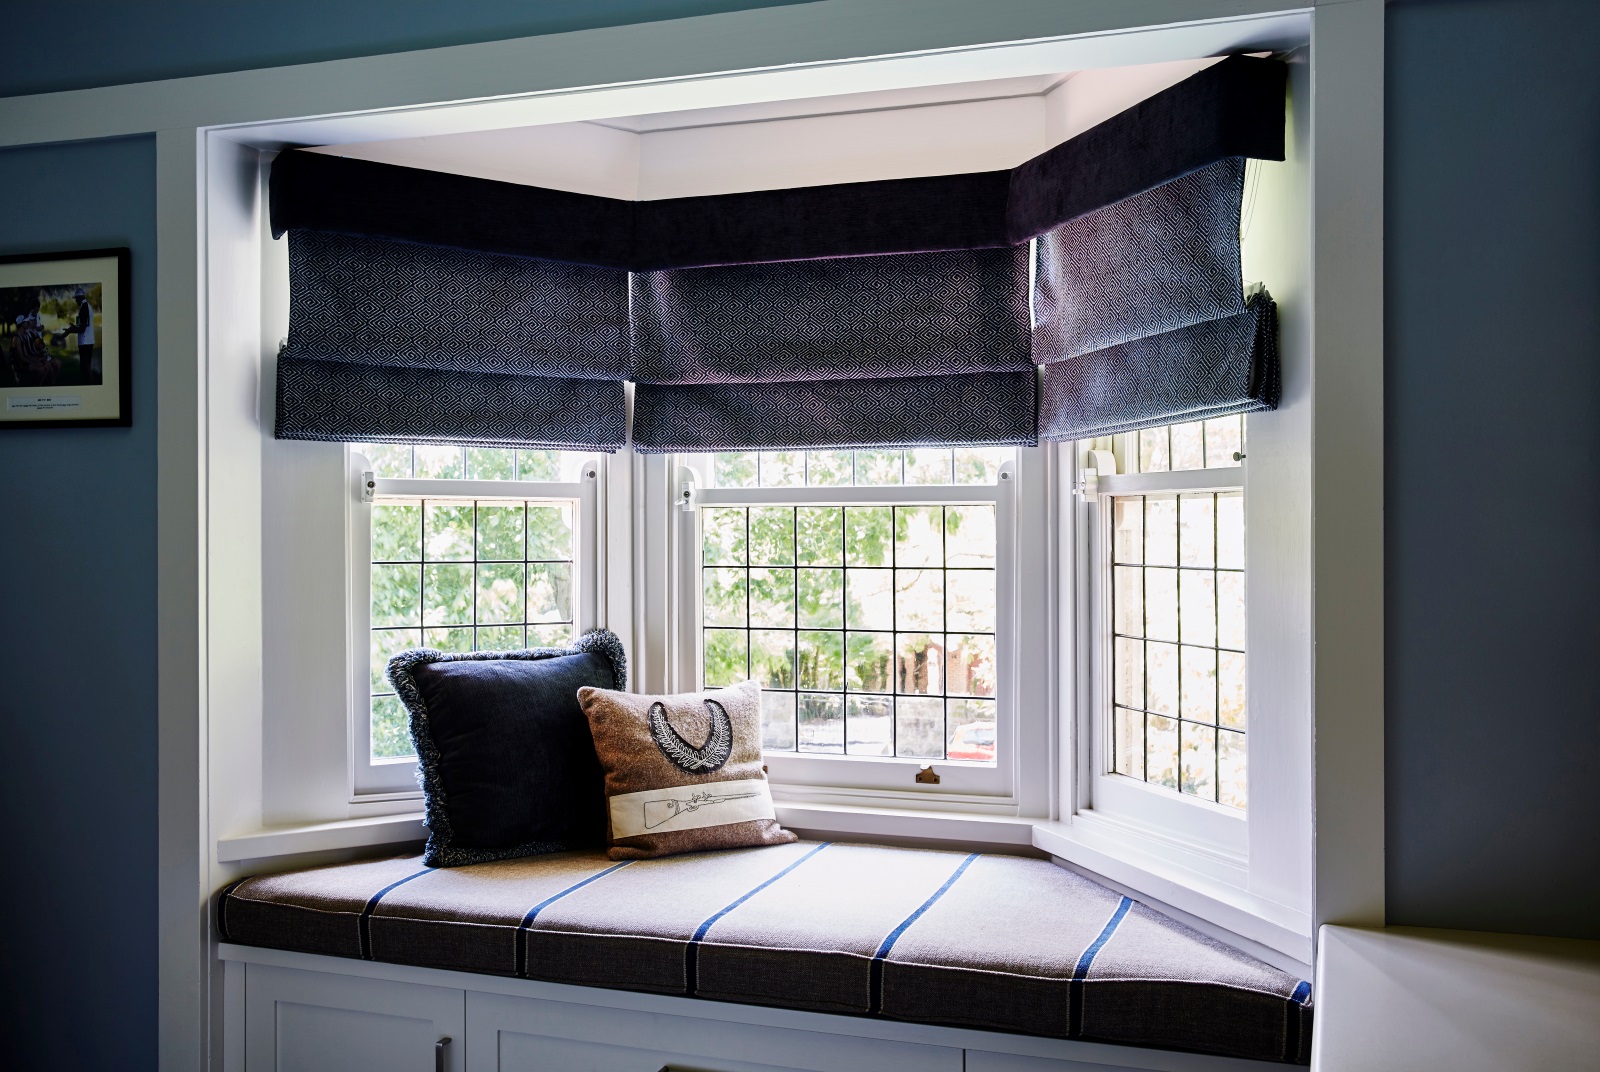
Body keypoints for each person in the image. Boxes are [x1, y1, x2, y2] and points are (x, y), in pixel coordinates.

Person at [68, 286, 98, 385]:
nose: (75, 301)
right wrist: (75, 327)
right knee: (87, 366)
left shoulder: (84, 308)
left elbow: (82, 329)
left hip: (85, 342)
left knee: (84, 367)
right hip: (89, 341)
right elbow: (84, 325)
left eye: (76, 298)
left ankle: (88, 386)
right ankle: (90, 385)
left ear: (80, 297)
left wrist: (71, 330)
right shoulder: (88, 306)